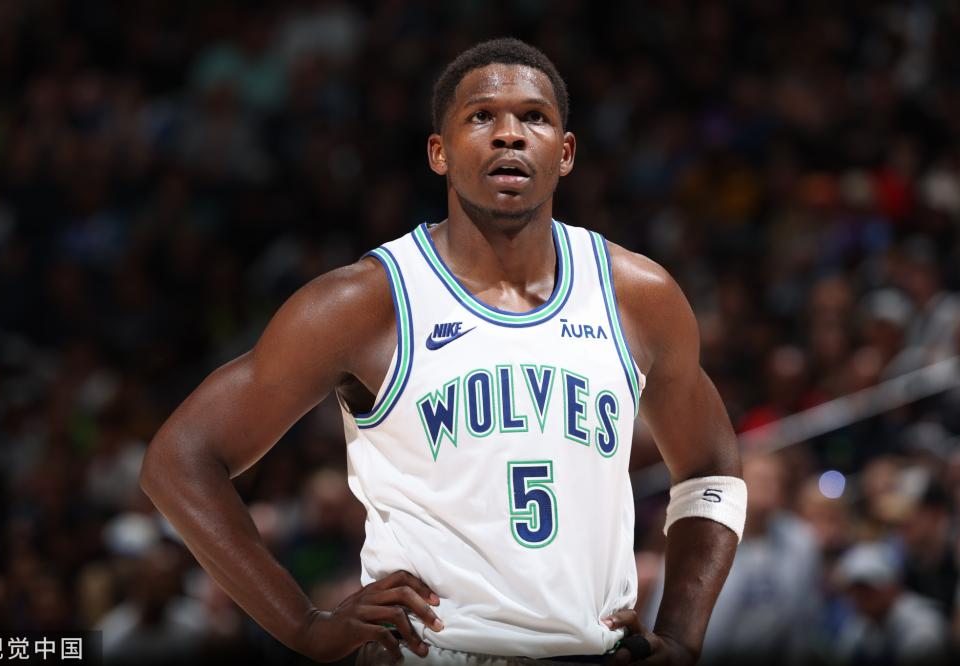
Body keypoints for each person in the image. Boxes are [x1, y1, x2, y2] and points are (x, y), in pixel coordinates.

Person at [140, 38, 745, 665]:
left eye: (534, 117)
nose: (509, 134)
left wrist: (682, 636)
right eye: (481, 116)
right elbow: (179, 461)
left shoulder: (637, 295)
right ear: (439, 152)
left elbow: (711, 471)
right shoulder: (365, 302)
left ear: (565, 153)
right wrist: (304, 625)